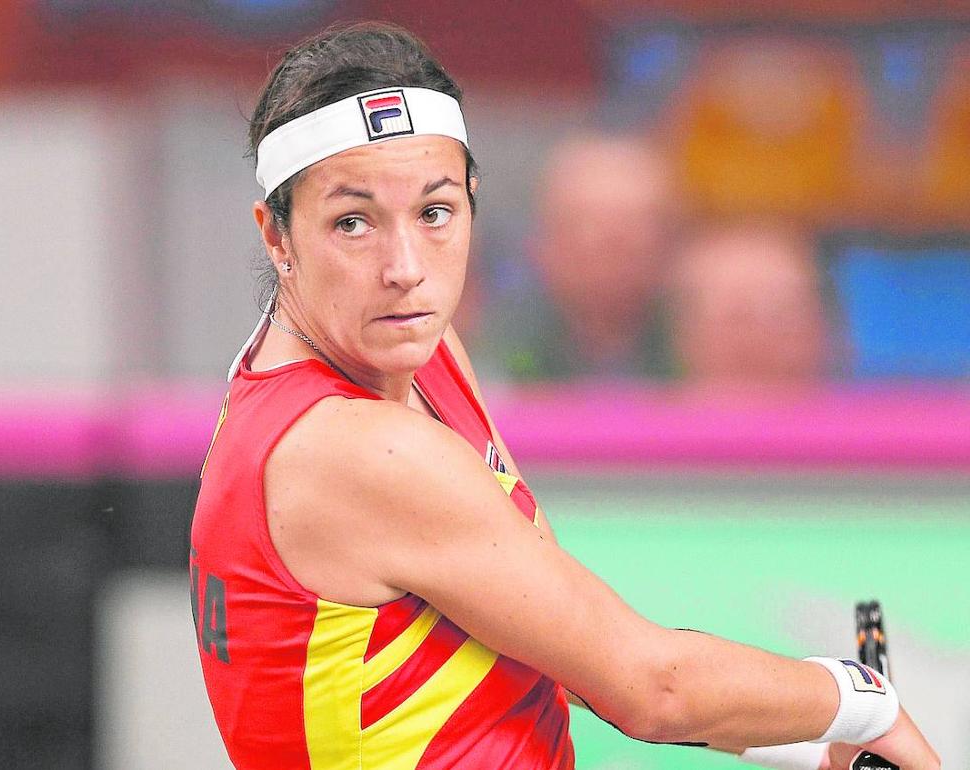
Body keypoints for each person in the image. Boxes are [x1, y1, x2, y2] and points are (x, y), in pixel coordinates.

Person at [190, 21, 939, 770]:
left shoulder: (417, 353)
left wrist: (808, 746)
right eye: (353, 223)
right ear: (276, 236)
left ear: (473, 202)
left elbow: (557, 647)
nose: (406, 267)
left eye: (435, 212)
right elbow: (651, 687)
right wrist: (864, 701)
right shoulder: (355, 446)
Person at [486, 133, 678, 381]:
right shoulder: (503, 358)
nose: (613, 246)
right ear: (542, 245)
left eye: (637, 225)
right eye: (587, 225)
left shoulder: (701, 349)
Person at [669, 220, 833, 385]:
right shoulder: (650, 407)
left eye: (779, 318)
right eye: (738, 318)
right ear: (686, 332)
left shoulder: (851, 406)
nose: (759, 340)